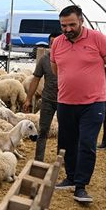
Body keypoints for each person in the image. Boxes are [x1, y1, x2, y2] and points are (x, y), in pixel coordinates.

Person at [50, 5, 106, 204]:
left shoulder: (97, 38)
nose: (67, 29)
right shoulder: (57, 43)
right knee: (66, 142)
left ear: (81, 21)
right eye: (63, 26)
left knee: (87, 142)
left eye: (72, 24)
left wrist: (96, 82)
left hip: (93, 102)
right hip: (66, 101)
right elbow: (56, 69)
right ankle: (70, 177)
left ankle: (81, 186)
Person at [22, 32, 61, 162]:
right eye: (51, 43)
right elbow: (36, 79)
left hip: (65, 101)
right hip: (48, 100)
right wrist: (28, 99)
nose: (54, 45)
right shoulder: (44, 60)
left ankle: (61, 159)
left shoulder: (68, 59)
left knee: (64, 132)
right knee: (43, 130)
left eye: (57, 42)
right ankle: (38, 159)